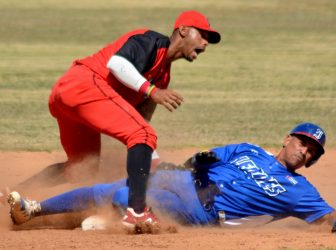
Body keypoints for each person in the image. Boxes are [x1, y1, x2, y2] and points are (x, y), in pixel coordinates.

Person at [35, 10, 221, 229]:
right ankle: (137, 212)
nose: (206, 43)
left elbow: (140, 122)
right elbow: (117, 64)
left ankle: (11, 197)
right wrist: (152, 91)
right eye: (202, 35)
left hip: (71, 98)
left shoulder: (163, 75)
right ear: (182, 30)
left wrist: (155, 163)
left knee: (82, 167)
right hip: (83, 84)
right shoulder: (150, 41)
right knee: (142, 135)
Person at [7, 122, 336, 234]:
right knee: (117, 186)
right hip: (186, 181)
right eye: (303, 141)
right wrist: (192, 161)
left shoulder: (298, 190)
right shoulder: (248, 149)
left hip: (200, 210)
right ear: (287, 138)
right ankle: (32, 210)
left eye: (312, 152)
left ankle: (123, 218)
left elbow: (328, 215)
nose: (305, 150)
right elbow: (205, 158)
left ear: (311, 161)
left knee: (126, 198)